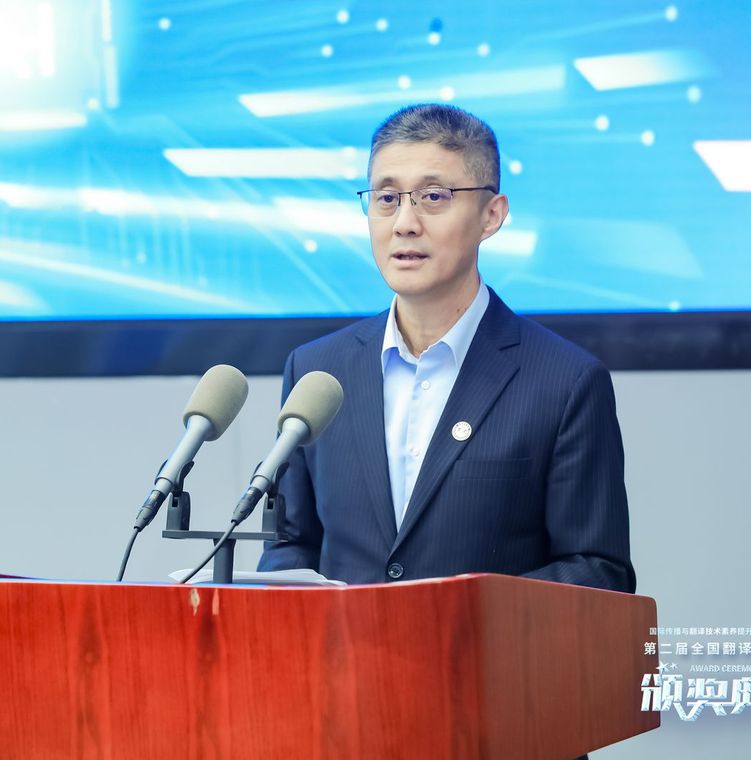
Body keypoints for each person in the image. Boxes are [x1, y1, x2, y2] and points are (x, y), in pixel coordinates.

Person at [258, 103, 635, 592]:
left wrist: (459, 614)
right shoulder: (317, 372)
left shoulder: (564, 382)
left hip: (486, 644)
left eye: (433, 197)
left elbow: (597, 571)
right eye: (387, 198)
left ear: (491, 215)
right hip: (342, 645)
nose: (404, 223)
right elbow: (291, 543)